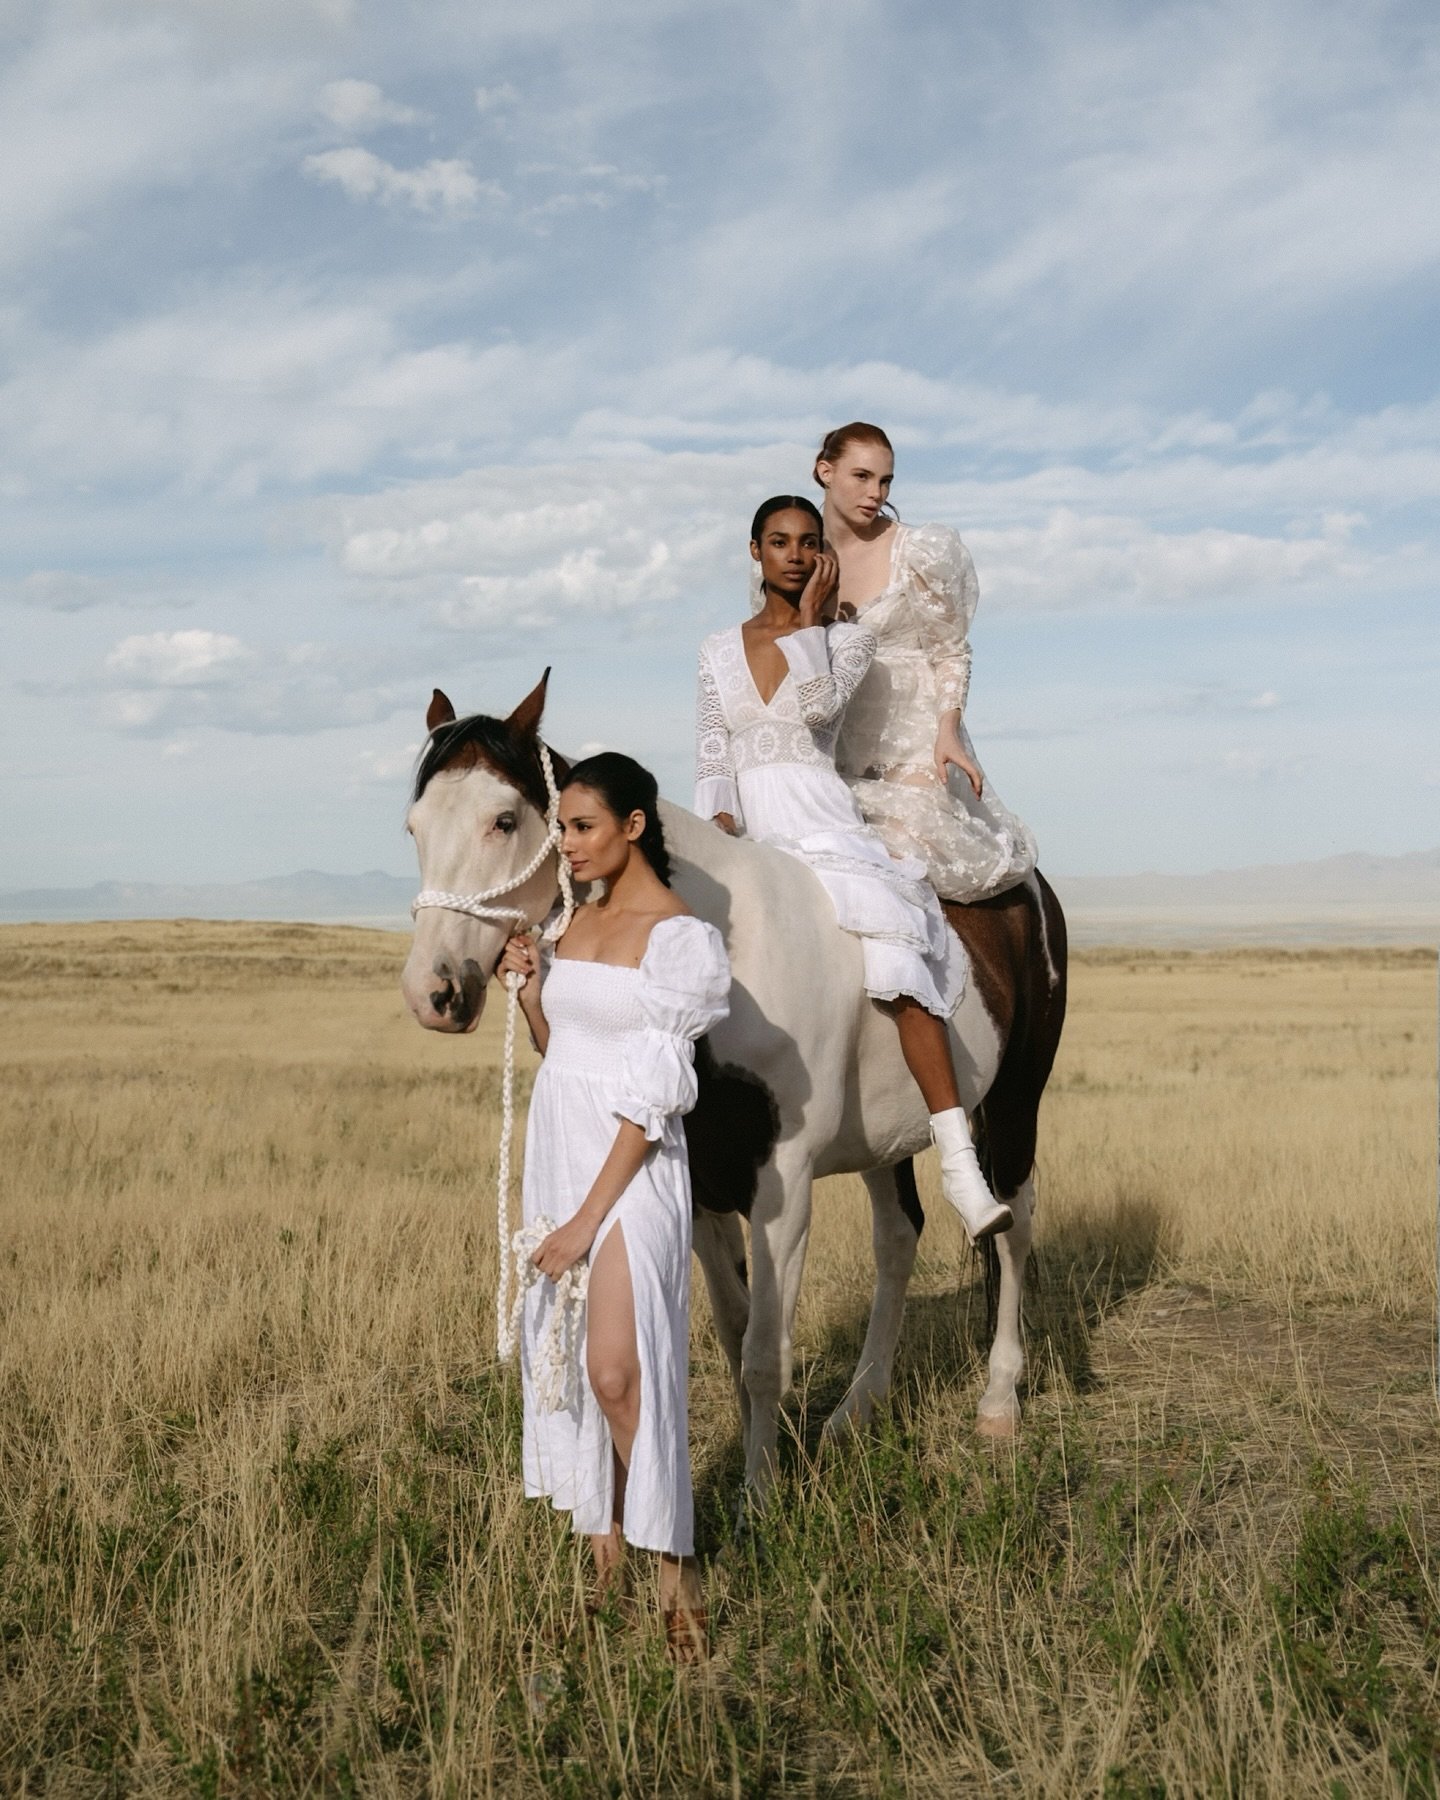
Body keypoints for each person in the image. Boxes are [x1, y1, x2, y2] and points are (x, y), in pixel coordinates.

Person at [695, 496, 1011, 1241]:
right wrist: (722, 836)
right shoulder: (715, 650)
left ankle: (959, 1161)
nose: (796, 555)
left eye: (809, 543)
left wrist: (811, 623)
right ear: (754, 552)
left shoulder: (848, 643)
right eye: (779, 543)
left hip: (825, 826)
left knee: (897, 949)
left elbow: (814, 707)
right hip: (754, 841)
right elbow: (713, 755)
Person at [498, 752, 729, 1664]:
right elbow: (565, 1053)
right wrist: (528, 990)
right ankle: (603, 1568)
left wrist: (586, 1222)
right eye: (562, 827)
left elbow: (646, 1105)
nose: (568, 843)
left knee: (617, 1375)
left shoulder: (680, 940)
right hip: (562, 1155)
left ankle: (677, 1571)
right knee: (573, 1372)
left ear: (634, 825)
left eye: (583, 825)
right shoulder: (573, 923)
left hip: (628, 1176)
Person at [811, 421, 1038, 907]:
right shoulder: (796, 555)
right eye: (862, 476)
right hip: (829, 740)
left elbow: (949, 649)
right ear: (824, 471)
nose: (875, 493)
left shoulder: (921, 551)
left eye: (886, 481)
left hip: (911, 739)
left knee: (904, 859)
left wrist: (948, 729)